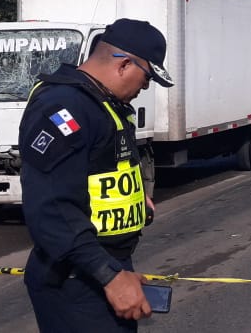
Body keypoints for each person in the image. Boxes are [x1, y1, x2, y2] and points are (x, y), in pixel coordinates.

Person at [19, 18, 175, 331]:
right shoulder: (65, 108)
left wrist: (132, 198)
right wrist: (111, 276)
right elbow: (52, 209)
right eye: (146, 78)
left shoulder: (102, 103)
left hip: (99, 269)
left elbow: (97, 171)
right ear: (124, 64)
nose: (144, 88)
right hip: (77, 280)